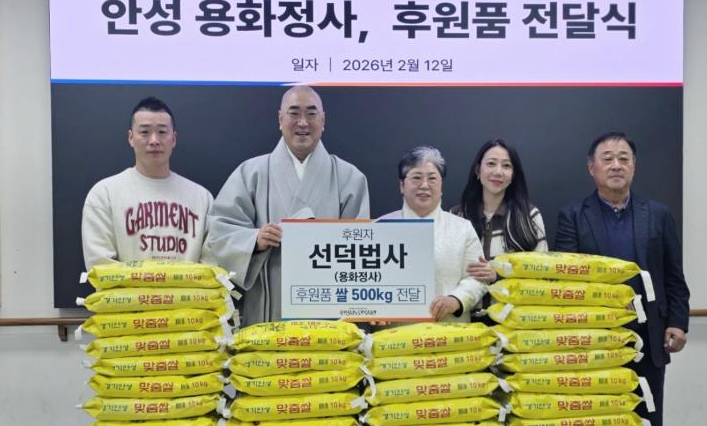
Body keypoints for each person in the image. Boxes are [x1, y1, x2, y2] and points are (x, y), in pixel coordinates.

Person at [554, 131, 690, 426]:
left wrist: (678, 322)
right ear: (592, 168)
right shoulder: (573, 216)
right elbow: (565, 283)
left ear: (634, 165)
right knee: (596, 422)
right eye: (608, 158)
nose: (616, 165)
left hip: (649, 338)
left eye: (623, 158)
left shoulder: (658, 215)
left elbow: (673, 275)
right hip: (594, 341)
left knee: (646, 420)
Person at [205, 86, 370, 326]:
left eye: (311, 113)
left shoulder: (350, 178)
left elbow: (361, 249)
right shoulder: (251, 173)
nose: (303, 122)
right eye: (294, 113)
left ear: (323, 121)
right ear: (280, 119)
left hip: (329, 318)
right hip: (266, 313)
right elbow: (220, 232)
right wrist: (255, 241)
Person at [81, 97, 213, 270]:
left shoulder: (202, 198)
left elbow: (212, 266)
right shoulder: (104, 194)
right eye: (144, 132)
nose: (154, 140)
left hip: (188, 290)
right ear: (131, 138)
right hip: (127, 290)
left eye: (162, 132)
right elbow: (100, 267)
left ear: (174, 138)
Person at [379, 146, 484, 322]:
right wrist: (372, 307)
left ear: (441, 185)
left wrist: (456, 300)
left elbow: (478, 278)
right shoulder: (379, 228)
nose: (424, 185)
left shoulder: (462, 229)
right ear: (402, 185)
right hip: (392, 334)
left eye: (432, 178)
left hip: (449, 331)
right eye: (416, 177)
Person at [451, 138, 547, 304]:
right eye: (491, 164)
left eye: (506, 166)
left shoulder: (530, 216)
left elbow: (543, 271)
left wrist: (499, 274)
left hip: (512, 316)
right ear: (478, 170)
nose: (498, 172)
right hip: (463, 315)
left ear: (513, 175)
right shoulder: (456, 216)